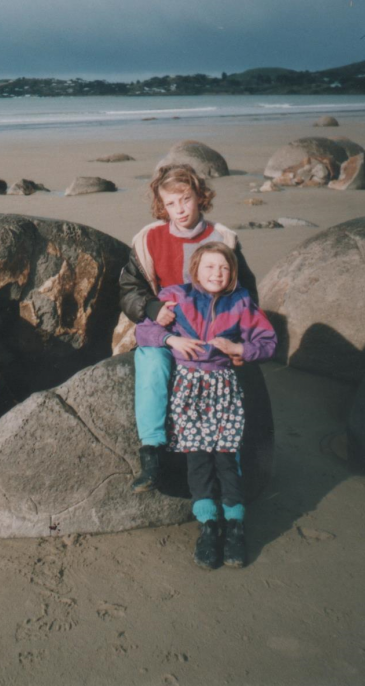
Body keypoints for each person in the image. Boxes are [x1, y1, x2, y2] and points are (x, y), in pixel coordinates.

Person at [118, 164, 258, 496]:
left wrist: (240, 340)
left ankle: (227, 486)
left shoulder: (222, 238)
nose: (179, 210)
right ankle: (151, 452)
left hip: (211, 329)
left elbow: (246, 294)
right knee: (152, 363)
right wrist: (152, 308)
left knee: (217, 383)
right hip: (164, 325)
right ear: (161, 206)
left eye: (186, 199)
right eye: (170, 204)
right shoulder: (148, 239)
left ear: (200, 197)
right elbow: (129, 289)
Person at [135, 242, 277, 568]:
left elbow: (268, 343)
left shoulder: (241, 302)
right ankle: (208, 527)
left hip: (223, 387)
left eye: (224, 268)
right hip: (187, 389)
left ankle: (236, 527)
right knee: (198, 460)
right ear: (195, 269)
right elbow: (144, 329)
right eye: (210, 267)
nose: (217, 273)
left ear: (232, 273)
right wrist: (172, 339)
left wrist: (237, 347)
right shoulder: (178, 297)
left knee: (227, 459)